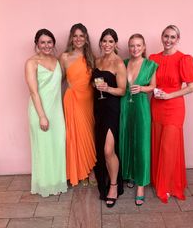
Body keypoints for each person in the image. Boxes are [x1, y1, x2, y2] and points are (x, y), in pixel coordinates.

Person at [149, 25, 193, 203]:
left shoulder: (184, 59)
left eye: (172, 37)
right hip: (157, 105)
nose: (168, 40)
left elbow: (191, 87)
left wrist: (169, 95)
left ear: (177, 39)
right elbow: (150, 82)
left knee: (169, 145)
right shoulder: (154, 58)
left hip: (174, 106)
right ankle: (159, 180)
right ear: (161, 37)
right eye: (166, 36)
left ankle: (168, 185)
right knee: (158, 141)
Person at [25, 29, 67, 197]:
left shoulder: (57, 61)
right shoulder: (31, 62)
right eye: (42, 42)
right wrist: (42, 116)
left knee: (57, 146)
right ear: (37, 44)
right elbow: (34, 92)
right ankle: (44, 185)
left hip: (56, 112)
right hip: (39, 111)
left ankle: (56, 183)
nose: (46, 45)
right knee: (43, 147)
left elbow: (61, 82)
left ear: (53, 43)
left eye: (49, 42)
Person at [119, 34, 158, 206]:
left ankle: (141, 184)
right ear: (129, 47)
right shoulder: (124, 63)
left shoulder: (150, 65)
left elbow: (153, 87)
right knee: (126, 141)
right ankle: (130, 174)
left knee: (141, 144)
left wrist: (142, 88)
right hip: (125, 106)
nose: (135, 49)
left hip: (141, 106)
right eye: (132, 46)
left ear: (144, 47)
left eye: (138, 45)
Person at [93, 28, 126, 208]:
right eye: (104, 41)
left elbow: (122, 90)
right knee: (100, 149)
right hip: (97, 107)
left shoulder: (119, 63)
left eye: (110, 41)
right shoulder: (97, 60)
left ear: (115, 44)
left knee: (108, 150)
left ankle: (113, 186)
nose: (107, 44)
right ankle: (105, 180)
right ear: (100, 43)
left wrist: (107, 89)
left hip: (112, 109)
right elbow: (93, 83)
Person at [60, 23, 96, 186]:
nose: (78, 39)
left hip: (88, 100)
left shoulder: (91, 58)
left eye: (82, 36)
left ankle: (90, 169)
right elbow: (57, 80)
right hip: (72, 99)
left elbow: (96, 81)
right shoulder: (65, 57)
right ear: (71, 38)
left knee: (88, 134)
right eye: (75, 36)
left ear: (86, 38)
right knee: (75, 135)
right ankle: (80, 172)